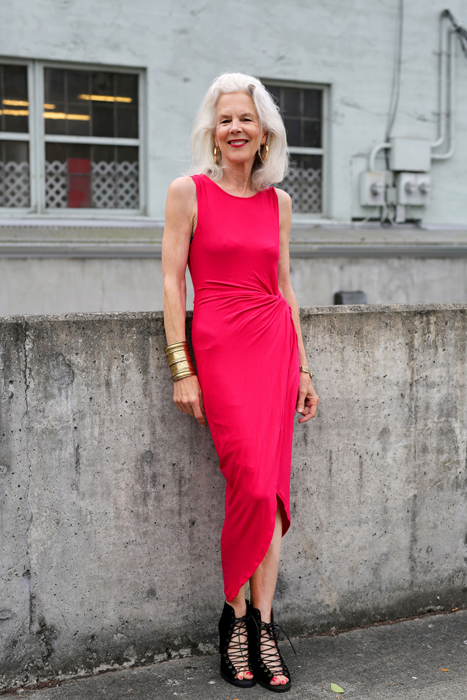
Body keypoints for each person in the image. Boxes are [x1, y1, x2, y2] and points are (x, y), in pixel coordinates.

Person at [162, 72, 319, 693]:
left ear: (264, 133)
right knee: (250, 484)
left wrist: (303, 368)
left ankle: (263, 626)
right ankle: (232, 616)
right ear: (212, 129)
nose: (235, 128)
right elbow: (172, 282)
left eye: (246, 119)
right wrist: (182, 367)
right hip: (221, 350)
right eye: (225, 118)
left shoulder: (279, 203)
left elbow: (284, 287)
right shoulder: (188, 192)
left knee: (270, 491)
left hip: (274, 347)